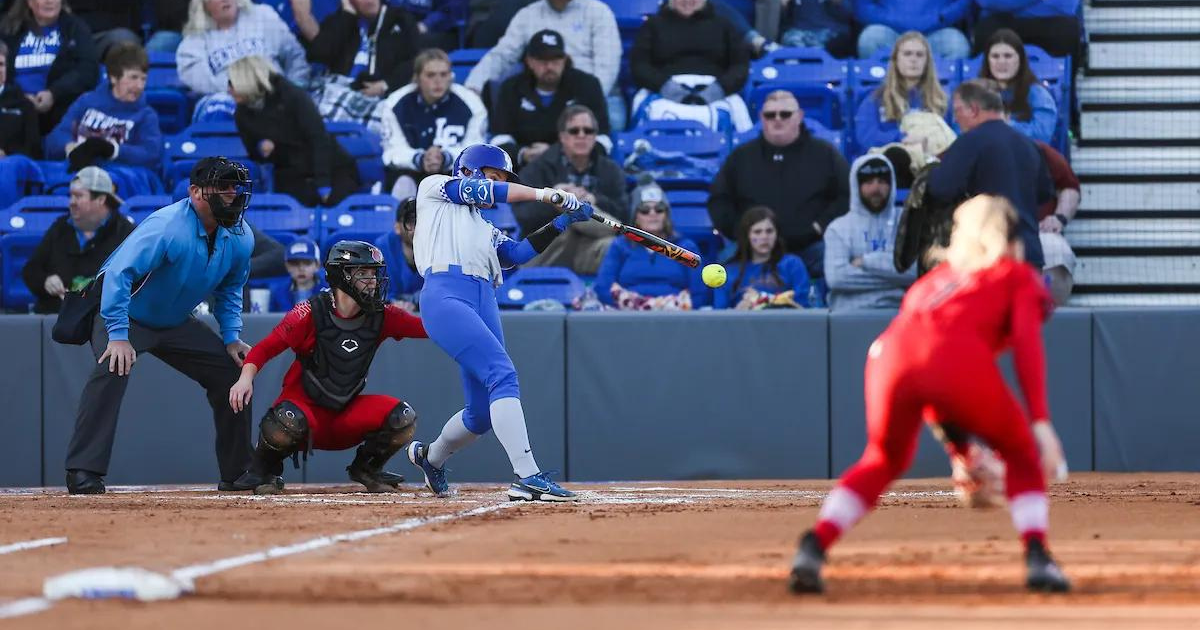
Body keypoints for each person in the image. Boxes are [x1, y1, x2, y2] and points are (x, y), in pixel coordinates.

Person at [788, 194, 1071, 595]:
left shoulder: (935, 280)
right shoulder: (1014, 275)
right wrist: (1040, 422)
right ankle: (1038, 556)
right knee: (1023, 454)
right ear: (1012, 240)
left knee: (883, 458)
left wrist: (962, 451)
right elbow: (1024, 346)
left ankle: (814, 545)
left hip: (886, 356)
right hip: (953, 362)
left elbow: (924, 361)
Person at [404, 142, 594, 501]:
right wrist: (546, 194)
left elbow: (515, 254)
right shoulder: (435, 187)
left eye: (500, 178)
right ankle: (528, 476)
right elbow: (488, 192)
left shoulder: (483, 227)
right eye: (491, 175)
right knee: (502, 374)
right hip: (446, 293)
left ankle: (431, 457)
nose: (495, 184)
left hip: (484, 298)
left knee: (480, 415)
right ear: (470, 171)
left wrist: (562, 221)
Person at [64, 157, 256, 495]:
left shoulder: (240, 235)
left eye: (234, 187)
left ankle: (238, 472)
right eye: (222, 187)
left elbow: (229, 289)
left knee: (231, 372)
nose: (231, 194)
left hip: (174, 321)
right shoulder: (166, 226)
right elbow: (119, 275)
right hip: (125, 314)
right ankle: (82, 470)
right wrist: (119, 335)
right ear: (196, 192)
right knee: (113, 365)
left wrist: (231, 338)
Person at [226, 240, 429, 494]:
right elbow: (266, 347)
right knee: (283, 422)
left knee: (403, 417)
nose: (373, 281)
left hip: (345, 415)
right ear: (341, 276)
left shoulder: (383, 315)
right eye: (363, 274)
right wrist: (245, 377)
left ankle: (366, 468)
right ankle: (264, 470)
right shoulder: (308, 312)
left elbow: (429, 328)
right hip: (303, 414)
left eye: (374, 274)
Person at [709, 90, 850, 282]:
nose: (777, 119)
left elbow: (846, 196)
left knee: (836, 259)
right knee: (720, 266)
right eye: (770, 115)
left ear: (799, 117)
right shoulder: (741, 157)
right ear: (761, 118)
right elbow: (719, 200)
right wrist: (741, 233)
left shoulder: (825, 153)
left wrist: (819, 226)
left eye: (785, 114)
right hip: (752, 249)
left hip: (810, 246)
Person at [927, 79, 1054, 270]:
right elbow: (1045, 193)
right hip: (1029, 254)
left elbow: (941, 189)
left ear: (974, 110)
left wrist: (929, 168)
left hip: (988, 256)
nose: (956, 118)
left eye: (958, 110)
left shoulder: (968, 143)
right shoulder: (1029, 145)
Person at [462, 0, 622, 130]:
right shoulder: (528, 15)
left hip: (593, 94)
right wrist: (473, 87)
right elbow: (502, 55)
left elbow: (607, 66)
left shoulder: (599, 12)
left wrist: (588, 100)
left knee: (613, 122)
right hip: (543, 93)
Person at [230, 55, 361, 207]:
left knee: (336, 205)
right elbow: (253, 152)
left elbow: (319, 138)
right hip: (291, 174)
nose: (229, 89)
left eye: (233, 83)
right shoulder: (241, 114)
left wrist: (323, 184)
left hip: (330, 168)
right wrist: (261, 148)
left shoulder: (292, 95)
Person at [512, 104, 627, 276]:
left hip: (590, 248)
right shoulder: (537, 169)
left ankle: (581, 211)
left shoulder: (610, 170)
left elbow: (624, 213)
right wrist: (551, 201)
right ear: (562, 136)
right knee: (573, 213)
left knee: (615, 245)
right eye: (574, 131)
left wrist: (595, 200)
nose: (581, 136)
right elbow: (522, 216)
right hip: (549, 249)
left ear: (595, 136)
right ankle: (580, 211)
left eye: (588, 131)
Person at [45, 43, 163, 192]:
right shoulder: (86, 102)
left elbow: (152, 154)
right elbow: (56, 138)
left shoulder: (146, 115)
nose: (139, 85)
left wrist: (112, 150)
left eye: (143, 79)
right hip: (76, 171)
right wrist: (70, 147)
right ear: (113, 77)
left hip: (116, 178)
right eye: (133, 77)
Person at [376, 48, 487, 201]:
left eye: (443, 74)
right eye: (430, 75)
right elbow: (392, 151)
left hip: (456, 173)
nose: (438, 81)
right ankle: (405, 221)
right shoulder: (395, 104)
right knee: (402, 182)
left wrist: (446, 158)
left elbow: (476, 149)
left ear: (450, 76)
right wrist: (420, 159)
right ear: (417, 78)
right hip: (412, 173)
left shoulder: (471, 103)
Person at [21, 166, 134, 314]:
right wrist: (45, 281)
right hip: (57, 318)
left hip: (106, 322)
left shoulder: (127, 233)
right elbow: (31, 270)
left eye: (78, 196)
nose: (71, 202)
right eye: (71, 196)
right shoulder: (60, 228)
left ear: (101, 199)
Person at [490, 29, 611, 167]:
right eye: (542, 60)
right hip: (524, 169)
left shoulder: (587, 85)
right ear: (529, 61)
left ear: (565, 60)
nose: (549, 66)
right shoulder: (511, 88)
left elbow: (602, 139)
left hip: (575, 168)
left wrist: (559, 153)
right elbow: (499, 137)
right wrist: (523, 153)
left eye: (555, 59)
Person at [630, 0, 753, 134]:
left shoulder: (724, 25)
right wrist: (665, 87)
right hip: (663, 89)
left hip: (715, 89)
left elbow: (740, 65)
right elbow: (639, 65)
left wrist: (719, 89)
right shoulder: (652, 25)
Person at [177, 0, 310, 121]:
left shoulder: (263, 16)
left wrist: (295, 89)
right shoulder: (193, 41)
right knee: (217, 106)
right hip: (229, 100)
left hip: (276, 95)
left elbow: (295, 56)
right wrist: (246, 91)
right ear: (203, 4)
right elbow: (200, 81)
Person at [595, 181, 709, 310]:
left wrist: (666, 308)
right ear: (636, 216)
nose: (652, 213)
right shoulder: (620, 246)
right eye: (645, 209)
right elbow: (603, 288)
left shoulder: (686, 247)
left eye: (659, 209)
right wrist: (637, 306)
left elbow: (699, 293)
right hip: (628, 317)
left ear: (666, 215)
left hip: (676, 317)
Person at [823, 155, 916, 310]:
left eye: (882, 182)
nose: (875, 189)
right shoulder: (838, 228)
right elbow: (837, 278)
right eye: (868, 182)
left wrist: (866, 262)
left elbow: (916, 271)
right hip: (849, 317)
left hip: (897, 314)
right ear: (856, 186)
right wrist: (896, 278)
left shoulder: (907, 222)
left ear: (891, 184)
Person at [0, 0, 100, 133]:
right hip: (13, 108)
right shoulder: (10, 30)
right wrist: (19, 97)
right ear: (29, 3)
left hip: (60, 108)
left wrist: (53, 93)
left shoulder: (76, 29)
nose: (49, 1)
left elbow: (88, 70)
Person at [853, 31, 949, 155]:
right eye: (907, 54)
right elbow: (866, 137)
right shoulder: (874, 99)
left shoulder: (942, 100)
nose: (913, 59)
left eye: (919, 55)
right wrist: (902, 138)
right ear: (896, 59)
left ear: (927, 62)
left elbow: (955, 137)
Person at [296, 0, 420, 96]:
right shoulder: (341, 20)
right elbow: (320, 54)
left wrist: (385, 85)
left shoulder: (400, 19)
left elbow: (416, 61)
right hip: (337, 90)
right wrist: (347, 15)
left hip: (381, 94)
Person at [715, 206, 811, 310]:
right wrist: (739, 311)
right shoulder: (727, 272)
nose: (764, 237)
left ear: (776, 234)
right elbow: (719, 316)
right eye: (757, 232)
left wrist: (761, 299)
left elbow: (803, 310)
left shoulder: (793, 264)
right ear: (747, 236)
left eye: (769, 231)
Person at [978, 29, 1057, 144]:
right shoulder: (975, 93)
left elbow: (1042, 138)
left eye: (1008, 56)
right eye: (995, 56)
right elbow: (961, 134)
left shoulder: (1038, 94)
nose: (1001, 62)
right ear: (987, 61)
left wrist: (1005, 125)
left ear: (1020, 60)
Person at [1035, 140, 1079, 306]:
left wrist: (1059, 217)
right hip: (993, 237)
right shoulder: (974, 149)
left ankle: (1052, 319)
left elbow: (1069, 186)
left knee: (1055, 249)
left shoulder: (1038, 150)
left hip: (1041, 231)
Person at [853, 0, 971, 60]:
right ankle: (882, 91)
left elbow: (964, 3)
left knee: (956, 43)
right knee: (870, 37)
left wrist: (939, 18)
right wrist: (898, 21)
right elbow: (862, 8)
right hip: (891, 31)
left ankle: (940, 95)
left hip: (935, 30)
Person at [973, 0, 1081, 60]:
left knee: (1068, 30)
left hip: (1052, 24)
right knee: (986, 30)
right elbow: (987, 2)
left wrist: (1010, 5)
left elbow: (1066, 6)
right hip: (1001, 22)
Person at [374, 197, 424, 312]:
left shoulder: (439, 246)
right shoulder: (382, 248)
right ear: (397, 227)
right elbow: (378, 291)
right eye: (410, 221)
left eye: (422, 220)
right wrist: (392, 302)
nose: (417, 228)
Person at [268, 237, 328, 312]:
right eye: (294, 264)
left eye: (307, 263)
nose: (301, 268)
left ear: (317, 265)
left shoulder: (329, 291)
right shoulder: (279, 292)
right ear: (287, 266)